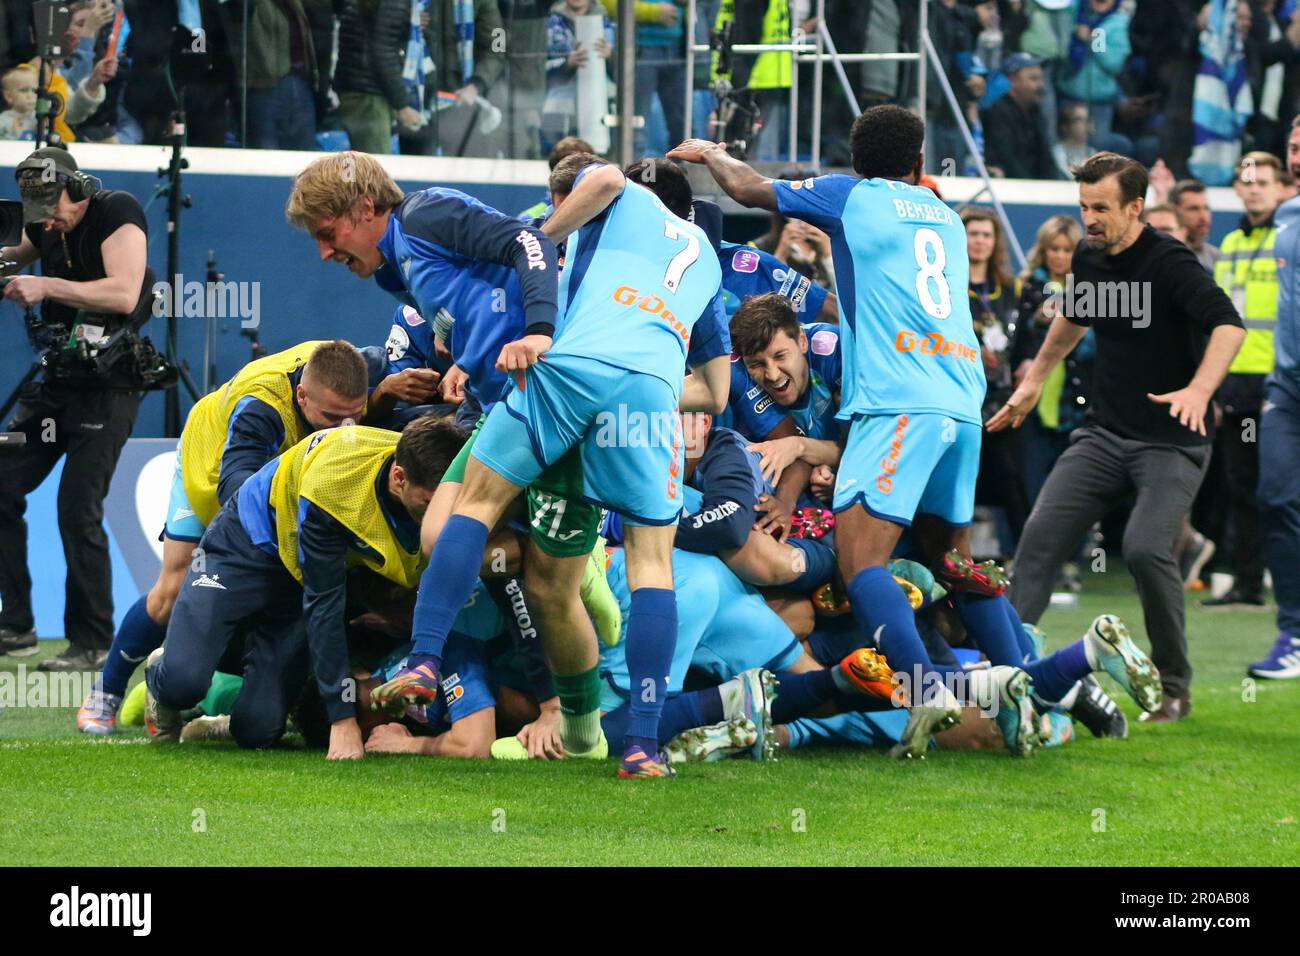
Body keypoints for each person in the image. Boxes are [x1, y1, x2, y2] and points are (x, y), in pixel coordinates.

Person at [670, 105, 1046, 760]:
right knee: (949, 560)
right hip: (962, 402)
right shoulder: (949, 219)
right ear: (921, 163)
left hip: (899, 401)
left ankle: (926, 690)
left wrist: (711, 155)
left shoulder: (855, 196)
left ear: (855, 161)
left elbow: (750, 190)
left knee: (861, 561)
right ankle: (1024, 687)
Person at [366, 155, 726, 779]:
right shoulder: (709, 261)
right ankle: (640, 744)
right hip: (645, 401)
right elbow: (716, 394)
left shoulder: (611, 204)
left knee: (470, 509)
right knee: (649, 565)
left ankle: (425, 658)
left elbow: (602, 184)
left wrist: (539, 239)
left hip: (566, 374)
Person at [990, 151, 1246, 723]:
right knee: (1038, 539)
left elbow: (1229, 325)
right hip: (1104, 434)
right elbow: (1074, 316)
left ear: (1136, 207)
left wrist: (1200, 393)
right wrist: (1033, 381)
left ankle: (1174, 684)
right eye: (1083, 206)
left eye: (1101, 207)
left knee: (1145, 548)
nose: (1090, 218)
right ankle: (1006, 673)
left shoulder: (1171, 263)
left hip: (1173, 440)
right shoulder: (1090, 253)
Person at [74, 341, 374, 735]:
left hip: (282, 478)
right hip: (213, 464)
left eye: (355, 417)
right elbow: (236, 492)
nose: (344, 432)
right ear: (301, 395)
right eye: (332, 418)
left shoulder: (360, 370)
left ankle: (234, 699)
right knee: (176, 584)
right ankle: (106, 693)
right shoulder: (261, 408)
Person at [145, 417, 465, 757]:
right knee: (184, 682)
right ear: (399, 478)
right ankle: (162, 673)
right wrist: (342, 722)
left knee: (258, 731)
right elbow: (324, 606)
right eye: (431, 503)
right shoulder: (335, 486)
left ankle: (235, 717)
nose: (441, 515)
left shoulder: (437, 475)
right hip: (248, 543)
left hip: (304, 574)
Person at [0, 147, 151, 672]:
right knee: (1, 482)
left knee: (76, 508)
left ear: (81, 188)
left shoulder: (117, 210)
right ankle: (15, 625)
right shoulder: (44, 223)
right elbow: (12, 253)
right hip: (59, 381)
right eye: (38, 211)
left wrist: (44, 285)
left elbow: (126, 293)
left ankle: (93, 642)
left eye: (55, 206)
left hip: (109, 385)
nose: (50, 220)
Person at [1202, 150, 1282, 610]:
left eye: (1262, 181)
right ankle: (1249, 584)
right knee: (1241, 487)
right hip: (1236, 384)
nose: (1253, 188)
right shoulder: (1229, 243)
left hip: (1282, 383)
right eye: (1246, 180)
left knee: (1281, 489)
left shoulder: (1290, 237)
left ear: (1281, 186)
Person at [1251, 114, 1300, 679]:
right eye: (1292, 146)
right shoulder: (1285, 214)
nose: (1295, 154)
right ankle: (1294, 633)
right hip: (1287, 387)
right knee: (1275, 496)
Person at [1011, 214, 1092, 506]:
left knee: (1071, 481)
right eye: (1053, 249)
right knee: (1030, 477)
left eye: (1067, 250)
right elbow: (1014, 344)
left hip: (1075, 399)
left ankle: (1077, 548)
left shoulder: (1088, 290)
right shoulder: (1026, 287)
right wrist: (1037, 322)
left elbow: (1093, 347)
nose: (1059, 256)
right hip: (1030, 398)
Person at [963, 206, 1028, 553]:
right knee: (959, 478)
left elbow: (1027, 339)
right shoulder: (946, 284)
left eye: (986, 234)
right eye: (973, 233)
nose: (979, 241)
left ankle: (1024, 558)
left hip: (1002, 399)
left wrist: (1029, 361)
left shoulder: (1012, 288)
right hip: (960, 398)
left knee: (1011, 478)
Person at [982, 52, 1061, 179]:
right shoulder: (997, 112)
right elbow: (1007, 158)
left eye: (1041, 79)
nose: (1041, 85)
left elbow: (1047, 158)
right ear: (1013, 81)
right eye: (1034, 79)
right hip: (1011, 188)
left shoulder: (1036, 113)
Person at [0, 64, 37, 140]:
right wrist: (14, 134)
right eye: (24, 90)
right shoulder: (3, 121)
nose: (30, 95)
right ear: (9, 96)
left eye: (34, 90)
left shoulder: (38, 118)